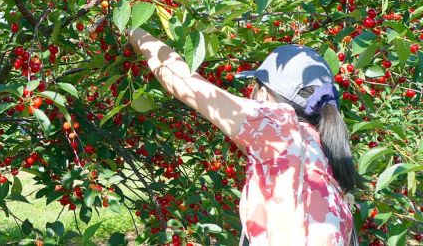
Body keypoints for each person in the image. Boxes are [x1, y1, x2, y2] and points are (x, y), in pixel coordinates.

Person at [127, 27, 359, 245]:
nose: (249, 93)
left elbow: (184, 83)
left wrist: (135, 31)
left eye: (254, 86)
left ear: (265, 93)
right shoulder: (323, 151)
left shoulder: (278, 127)